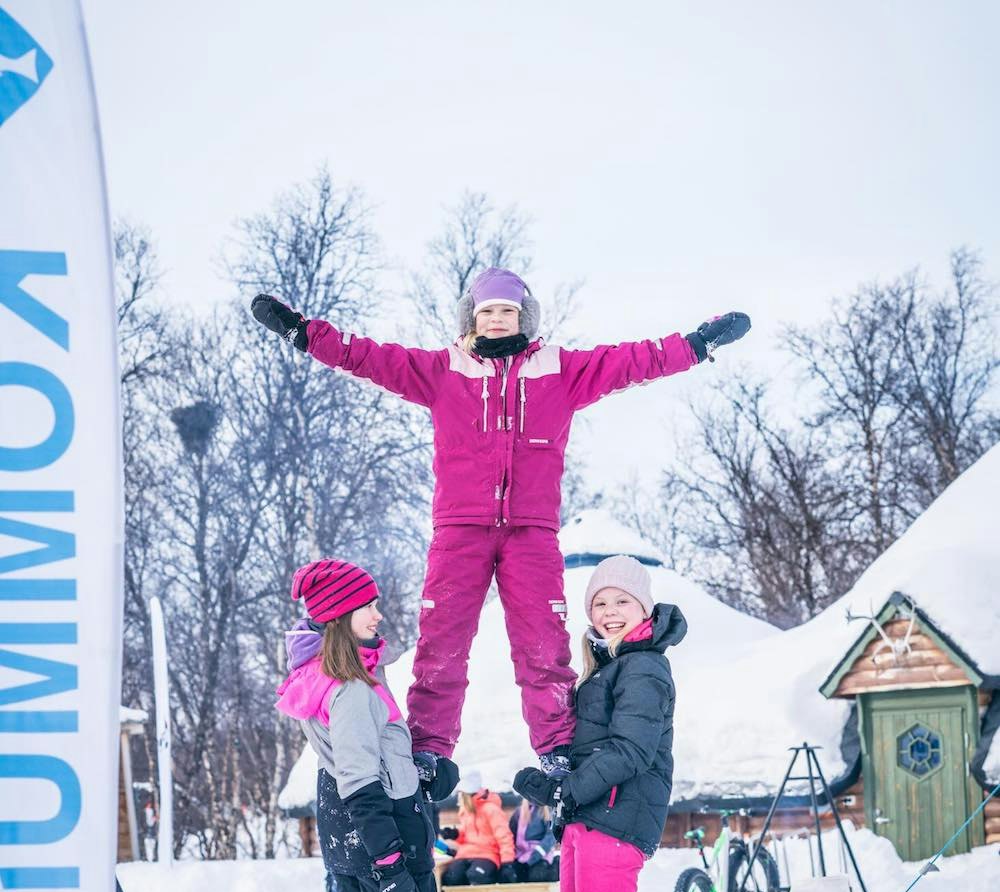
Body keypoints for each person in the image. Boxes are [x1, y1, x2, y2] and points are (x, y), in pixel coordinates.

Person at [251, 272, 749, 781]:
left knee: (543, 645)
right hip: (459, 529)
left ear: (523, 317)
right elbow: (368, 357)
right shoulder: (443, 370)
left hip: (531, 531)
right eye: (486, 311)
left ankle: (557, 748)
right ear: (472, 317)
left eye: (507, 312)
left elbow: (634, 361)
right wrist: (303, 332)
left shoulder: (561, 370)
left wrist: (697, 343)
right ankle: (427, 751)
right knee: (442, 643)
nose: (496, 320)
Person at [275, 557, 455, 892]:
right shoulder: (352, 687)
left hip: (346, 836)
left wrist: (419, 769)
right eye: (368, 606)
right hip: (376, 831)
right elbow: (359, 778)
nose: (378, 614)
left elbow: (361, 758)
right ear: (339, 615)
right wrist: (391, 860)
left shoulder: (321, 678)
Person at [514, 555, 686, 892]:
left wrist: (566, 789)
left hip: (616, 818)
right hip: (588, 818)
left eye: (622, 601)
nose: (611, 612)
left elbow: (630, 749)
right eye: (600, 603)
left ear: (644, 607)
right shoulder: (609, 666)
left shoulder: (645, 667)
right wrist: (557, 786)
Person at [440, 770, 517, 886]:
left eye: (460, 794)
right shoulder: (466, 810)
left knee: (477, 875)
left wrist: (507, 862)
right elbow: (468, 834)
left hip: (488, 854)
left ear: (466, 795)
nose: (458, 798)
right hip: (466, 853)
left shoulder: (491, 809)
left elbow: (504, 837)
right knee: (452, 877)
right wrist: (455, 834)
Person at [509, 798, 559, 883]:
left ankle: (555, 868)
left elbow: (551, 836)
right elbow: (511, 834)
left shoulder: (546, 811)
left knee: (536, 876)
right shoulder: (519, 812)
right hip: (521, 855)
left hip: (540, 855)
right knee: (512, 876)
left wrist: (533, 857)